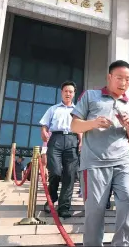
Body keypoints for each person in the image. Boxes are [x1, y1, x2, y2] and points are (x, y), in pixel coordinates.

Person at [70, 60, 129, 246]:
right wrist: (94, 123)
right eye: (119, 78)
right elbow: (74, 125)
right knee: (95, 211)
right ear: (109, 77)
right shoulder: (91, 96)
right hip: (94, 163)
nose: (123, 83)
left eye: (128, 79)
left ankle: (123, 244)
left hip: (123, 162)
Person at [39, 81, 81, 218]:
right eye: (65, 91)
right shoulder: (53, 109)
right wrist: (44, 131)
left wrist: (81, 141)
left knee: (69, 175)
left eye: (71, 91)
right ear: (61, 93)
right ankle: (52, 198)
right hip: (55, 140)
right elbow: (44, 124)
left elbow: (80, 128)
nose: (68, 93)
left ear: (74, 94)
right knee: (55, 172)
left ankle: (64, 207)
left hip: (72, 140)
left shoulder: (78, 111)